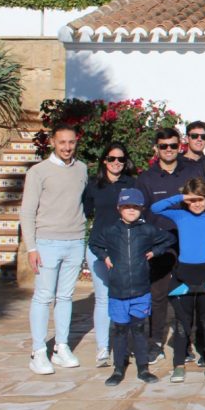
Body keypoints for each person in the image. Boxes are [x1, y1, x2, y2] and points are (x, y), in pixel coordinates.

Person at [21, 125, 89, 375]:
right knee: (43, 296)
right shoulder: (38, 172)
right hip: (47, 242)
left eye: (71, 142)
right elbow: (27, 211)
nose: (67, 147)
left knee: (65, 297)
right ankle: (38, 351)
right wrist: (32, 247)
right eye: (62, 142)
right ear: (53, 142)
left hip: (74, 241)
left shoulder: (82, 169)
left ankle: (61, 347)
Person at [88, 188, 174, 385]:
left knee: (138, 330)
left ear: (142, 209)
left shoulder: (148, 230)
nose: (131, 210)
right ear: (119, 208)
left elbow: (169, 239)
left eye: (135, 207)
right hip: (118, 291)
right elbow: (94, 244)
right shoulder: (110, 231)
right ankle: (118, 369)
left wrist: (155, 252)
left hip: (141, 291)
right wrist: (105, 257)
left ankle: (143, 368)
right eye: (127, 207)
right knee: (119, 331)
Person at [150, 178, 205, 383]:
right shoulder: (180, 215)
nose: (197, 204)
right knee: (183, 324)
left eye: (200, 199)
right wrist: (182, 197)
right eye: (192, 201)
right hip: (184, 274)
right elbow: (155, 208)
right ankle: (179, 364)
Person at [136, 127, 202, 363]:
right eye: (163, 146)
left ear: (180, 146)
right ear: (157, 148)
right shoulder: (146, 178)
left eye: (173, 145)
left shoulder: (192, 173)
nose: (168, 150)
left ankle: (185, 344)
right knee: (158, 296)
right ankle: (155, 342)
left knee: (186, 297)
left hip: (187, 246)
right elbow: (140, 213)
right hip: (158, 247)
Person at [82, 141, 137, 367]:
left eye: (121, 159)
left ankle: (128, 346)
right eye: (112, 158)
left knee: (127, 297)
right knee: (104, 298)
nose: (116, 163)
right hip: (99, 247)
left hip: (125, 248)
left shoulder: (131, 185)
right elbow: (84, 212)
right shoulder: (94, 185)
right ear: (105, 160)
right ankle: (103, 348)